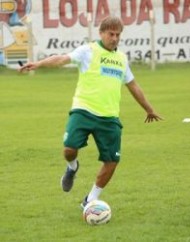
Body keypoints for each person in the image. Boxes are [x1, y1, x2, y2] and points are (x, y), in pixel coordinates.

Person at [19, 16, 162, 208]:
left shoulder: (121, 59)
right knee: (69, 148)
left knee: (111, 161)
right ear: (101, 33)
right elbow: (62, 59)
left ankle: (91, 199)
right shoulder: (88, 51)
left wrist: (149, 109)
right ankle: (72, 167)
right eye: (111, 34)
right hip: (83, 110)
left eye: (118, 35)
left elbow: (133, 85)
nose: (115, 38)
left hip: (110, 117)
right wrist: (38, 64)